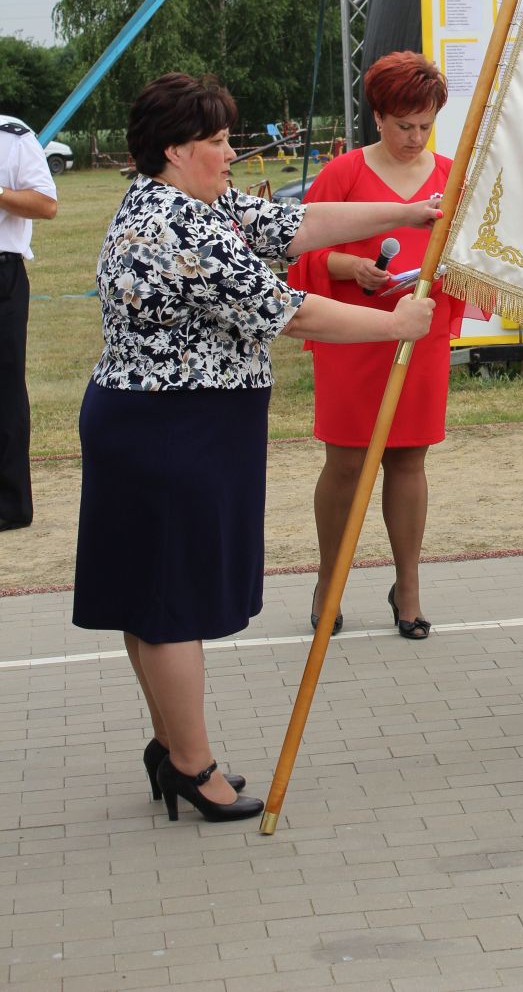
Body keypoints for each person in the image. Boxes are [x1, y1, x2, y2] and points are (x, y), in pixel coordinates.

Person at [72, 73, 438, 825]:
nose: (231, 152)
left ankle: (173, 746)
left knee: (151, 600)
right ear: (175, 150)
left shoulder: (179, 201)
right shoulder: (186, 227)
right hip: (173, 429)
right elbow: (288, 311)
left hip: (155, 422)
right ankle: (193, 766)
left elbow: (296, 226)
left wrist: (413, 209)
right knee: (173, 604)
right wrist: (396, 326)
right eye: (216, 142)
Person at [288, 52, 463, 641]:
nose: (415, 138)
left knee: (410, 457)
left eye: (425, 126)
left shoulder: (451, 176)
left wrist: (443, 279)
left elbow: (470, 258)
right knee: (346, 459)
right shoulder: (342, 174)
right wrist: (351, 267)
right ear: (378, 117)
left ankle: (407, 586)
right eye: (403, 125)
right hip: (350, 331)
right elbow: (304, 255)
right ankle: (328, 582)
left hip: (420, 333)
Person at [0, 116, 57, 530]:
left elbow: (46, 204)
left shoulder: (12, 136)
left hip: (2, 269)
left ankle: (10, 505)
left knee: (3, 387)